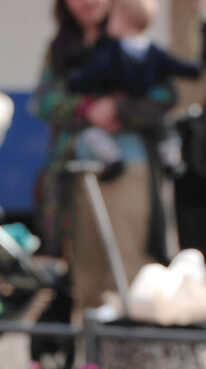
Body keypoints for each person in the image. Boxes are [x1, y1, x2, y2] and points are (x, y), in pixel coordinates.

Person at [33, 0, 180, 322]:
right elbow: (44, 100)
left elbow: (165, 95)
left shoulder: (133, 41)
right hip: (74, 169)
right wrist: (86, 109)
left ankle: (134, 349)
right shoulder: (61, 47)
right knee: (86, 276)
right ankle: (92, 352)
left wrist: (118, 108)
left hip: (129, 166)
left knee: (130, 271)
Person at [65, 0, 206, 177]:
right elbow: (85, 78)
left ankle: (169, 160)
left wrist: (117, 105)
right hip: (120, 124)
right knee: (95, 134)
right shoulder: (115, 53)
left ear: (124, 20)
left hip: (140, 127)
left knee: (165, 128)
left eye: (113, 16)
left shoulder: (121, 53)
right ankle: (115, 158)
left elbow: (184, 78)